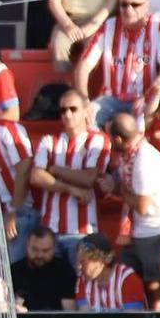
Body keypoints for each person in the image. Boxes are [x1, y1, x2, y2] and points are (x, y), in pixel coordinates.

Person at [28, 87, 110, 254]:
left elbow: (88, 178)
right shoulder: (49, 141)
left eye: (73, 109)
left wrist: (54, 169)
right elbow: (36, 176)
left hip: (82, 231)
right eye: (63, 110)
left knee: (79, 280)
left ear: (86, 111)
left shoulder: (98, 140)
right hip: (50, 231)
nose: (67, 114)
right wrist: (71, 189)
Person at [107, 113, 160, 309]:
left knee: (155, 284)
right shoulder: (131, 156)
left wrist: (121, 191)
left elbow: (142, 206)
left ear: (117, 139)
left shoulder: (143, 161)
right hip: (137, 232)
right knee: (126, 275)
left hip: (153, 231)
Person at [71, 231, 145, 311]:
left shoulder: (128, 279)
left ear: (103, 260)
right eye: (78, 261)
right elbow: (84, 316)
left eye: (83, 262)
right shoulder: (82, 279)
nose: (78, 266)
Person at [10, 226, 76, 310]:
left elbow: (69, 311)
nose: (39, 255)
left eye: (45, 250)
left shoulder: (65, 271)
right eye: (35, 249)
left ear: (54, 248)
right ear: (27, 246)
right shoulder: (14, 271)